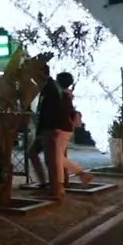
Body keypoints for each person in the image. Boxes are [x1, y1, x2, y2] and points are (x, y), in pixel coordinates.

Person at [34, 65, 74, 199]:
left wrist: (56, 128)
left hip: (51, 127)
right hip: (50, 127)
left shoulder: (52, 88)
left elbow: (56, 109)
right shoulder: (54, 88)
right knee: (52, 157)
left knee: (52, 160)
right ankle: (52, 185)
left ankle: (56, 189)